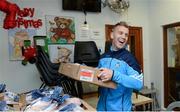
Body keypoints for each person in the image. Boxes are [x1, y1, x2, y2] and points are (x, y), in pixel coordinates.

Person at [97, 21, 143, 111]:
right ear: (112, 35)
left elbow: (138, 83)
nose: (123, 37)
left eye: (126, 35)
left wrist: (114, 75)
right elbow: (97, 76)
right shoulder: (103, 57)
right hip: (101, 109)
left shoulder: (130, 59)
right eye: (120, 33)